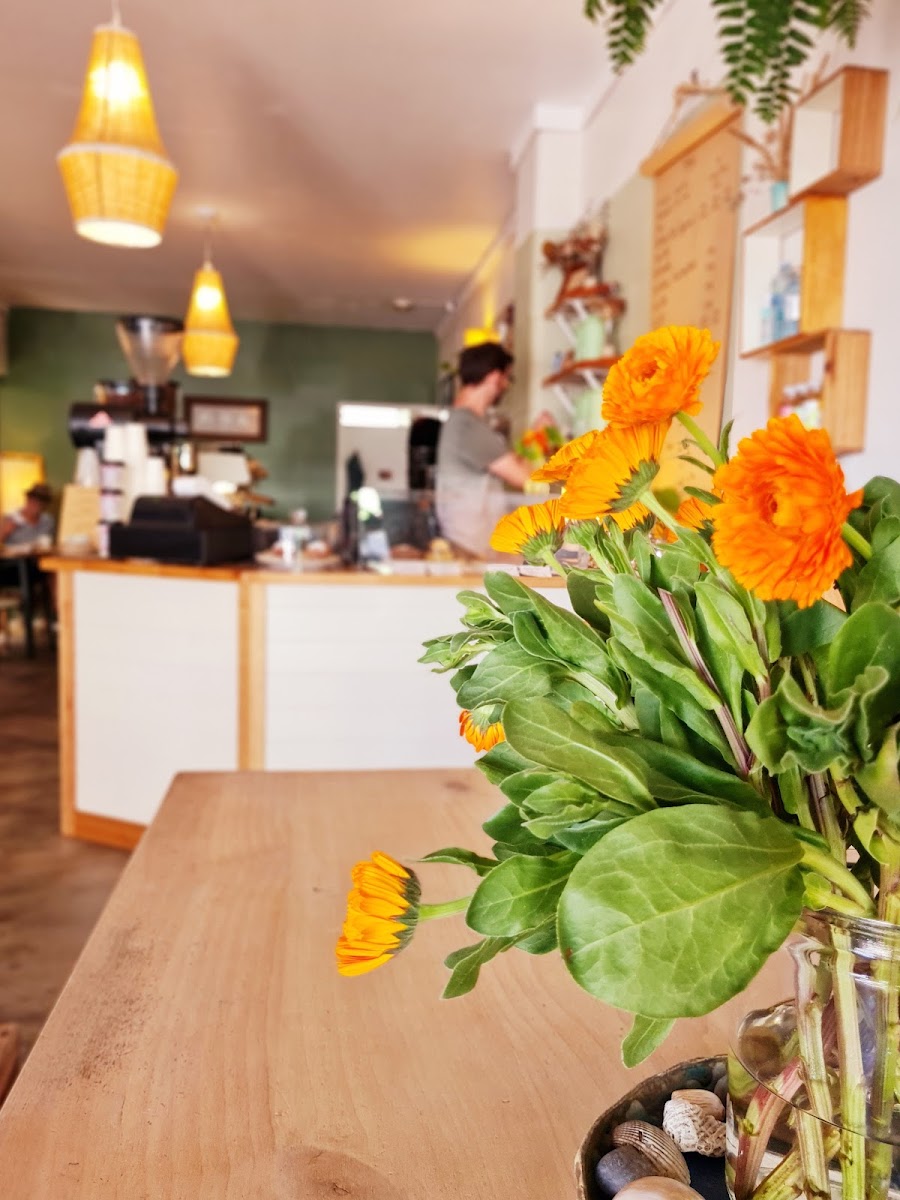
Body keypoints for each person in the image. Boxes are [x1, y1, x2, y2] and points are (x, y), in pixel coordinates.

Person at [435, 342, 554, 558]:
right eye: (508, 378)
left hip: (470, 543)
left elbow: (508, 462)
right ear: (494, 376)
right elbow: (525, 478)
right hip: (472, 548)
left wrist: (535, 435)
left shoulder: (464, 422)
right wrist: (540, 436)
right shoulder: (468, 425)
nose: (507, 385)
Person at [0, 483, 55, 548]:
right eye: (33, 501)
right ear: (28, 500)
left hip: (38, 554)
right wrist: (4, 532)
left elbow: (47, 543)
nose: (36, 505)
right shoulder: (10, 518)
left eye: (41, 503)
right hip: (13, 553)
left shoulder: (47, 521)